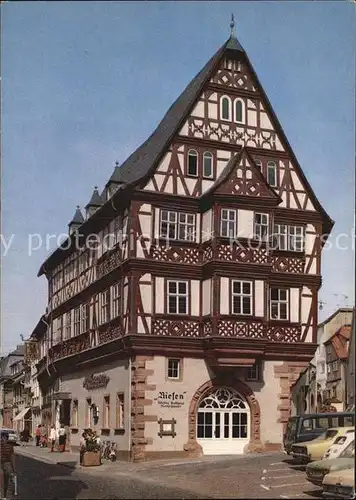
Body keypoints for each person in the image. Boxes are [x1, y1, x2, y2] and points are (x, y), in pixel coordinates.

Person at [0, 432, 16, 499]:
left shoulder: (9, 447)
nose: (3, 439)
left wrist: (14, 469)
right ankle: (3, 496)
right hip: (4, 464)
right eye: (2, 438)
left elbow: (12, 458)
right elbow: (12, 458)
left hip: (4, 464)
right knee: (4, 481)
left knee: (4, 482)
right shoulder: (8, 446)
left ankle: (3, 496)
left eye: (4, 438)